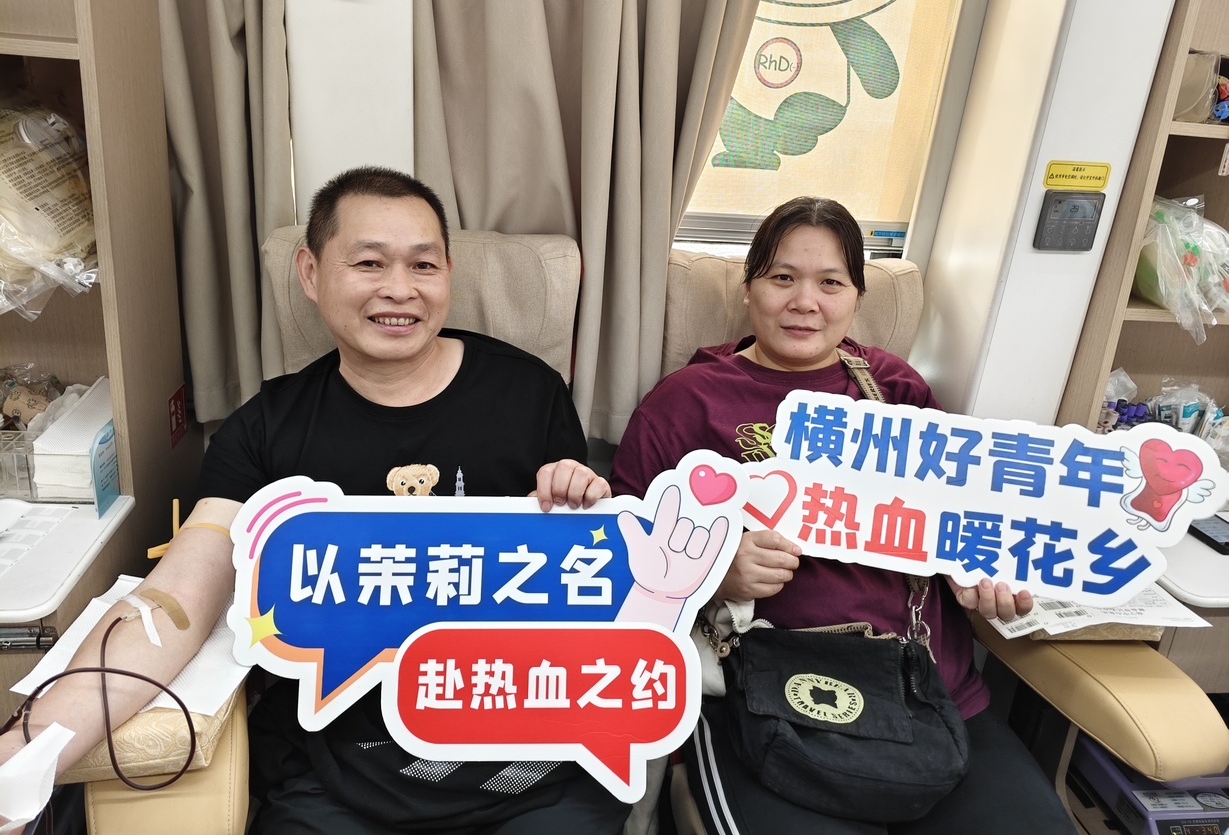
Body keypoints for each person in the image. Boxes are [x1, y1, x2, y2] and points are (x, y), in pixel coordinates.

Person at [0, 167, 629, 834]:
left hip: (526, 765)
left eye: (423, 265)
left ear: (448, 274)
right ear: (310, 271)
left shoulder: (528, 395)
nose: (400, 289)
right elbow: (178, 598)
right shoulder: (265, 432)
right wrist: (24, 753)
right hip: (339, 772)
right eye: (368, 263)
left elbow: (585, 584)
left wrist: (582, 513)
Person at [609, 196, 1076, 834]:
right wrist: (714, 573)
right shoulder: (686, 403)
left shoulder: (896, 391)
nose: (805, 302)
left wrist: (984, 573)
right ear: (748, 288)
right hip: (771, 697)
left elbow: (962, 521)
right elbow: (618, 559)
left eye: (831, 283)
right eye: (782, 278)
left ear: (856, 296)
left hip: (927, 692)